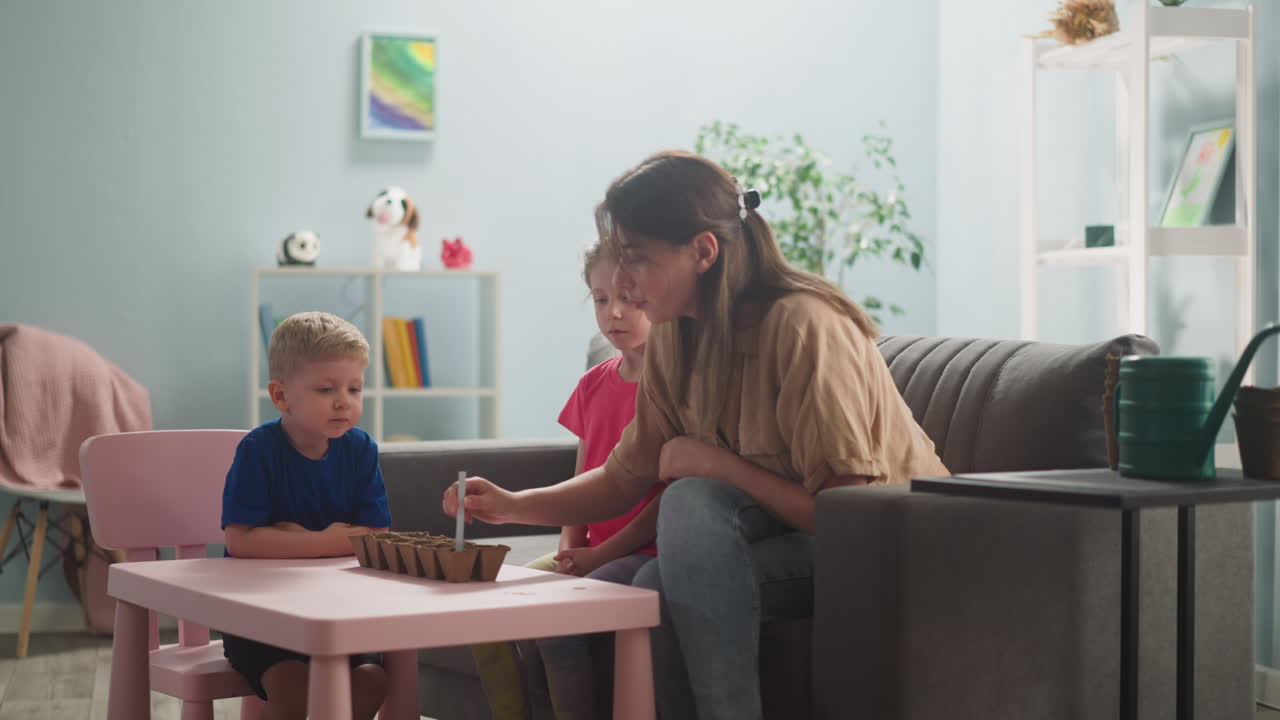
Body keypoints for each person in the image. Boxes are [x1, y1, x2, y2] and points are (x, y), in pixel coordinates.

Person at [443, 150, 948, 719]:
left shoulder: (803, 326)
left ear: (704, 252)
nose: (621, 282)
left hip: (887, 546)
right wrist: (511, 505)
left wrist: (716, 464)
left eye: (637, 259)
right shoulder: (673, 335)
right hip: (789, 534)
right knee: (658, 575)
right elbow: (622, 479)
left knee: (691, 500)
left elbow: (845, 512)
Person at [475, 242, 662, 720]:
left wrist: (598, 556)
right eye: (601, 299)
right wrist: (569, 552)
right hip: (590, 550)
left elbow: (669, 499)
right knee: (482, 606)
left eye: (628, 298)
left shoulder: (672, 388)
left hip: (645, 553)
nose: (613, 312)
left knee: (557, 623)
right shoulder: (593, 384)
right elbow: (582, 480)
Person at [221, 311, 392, 720]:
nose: (343, 401)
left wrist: (290, 539)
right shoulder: (258, 451)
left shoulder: (361, 450)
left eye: (354, 388)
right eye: (325, 389)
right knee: (292, 685)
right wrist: (333, 538)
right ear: (281, 396)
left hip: (341, 612)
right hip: (262, 618)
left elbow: (376, 535)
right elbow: (240, 541)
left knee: (372, 681)